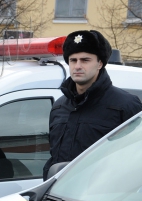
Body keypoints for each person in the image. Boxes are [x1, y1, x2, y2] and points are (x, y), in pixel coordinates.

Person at [43, 30, 142, 179]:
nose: (77, 66)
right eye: (73, 60)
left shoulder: (125, 105)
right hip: (57, 197)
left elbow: (135, 160)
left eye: (85, 60)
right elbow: (54, 157)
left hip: (103, 198)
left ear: (100, 63)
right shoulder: (59, 107)